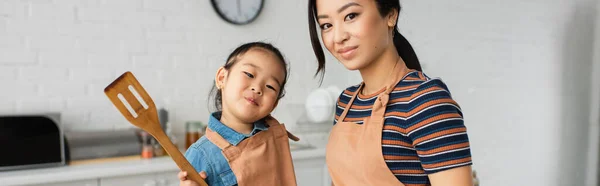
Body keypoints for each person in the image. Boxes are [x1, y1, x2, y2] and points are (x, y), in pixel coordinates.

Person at [308, 0, 474, 185]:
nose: (338, 37)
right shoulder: (346, 102)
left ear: (391, 15)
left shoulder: (426, 101)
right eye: (327, 25)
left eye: (351, 16)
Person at [177, 41, 299, 186]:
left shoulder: (273, 137)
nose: (257, 88)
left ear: (274, 104)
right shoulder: (201, 155)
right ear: (222, 77)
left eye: (270, 86)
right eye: (249, 74)